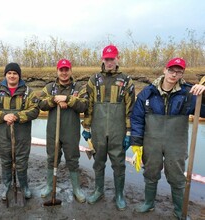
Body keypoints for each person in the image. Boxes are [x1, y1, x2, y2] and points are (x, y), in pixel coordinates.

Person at [130, 57, 205, 219]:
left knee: (176, 176)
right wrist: (136, 141)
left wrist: (203, 93)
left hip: (176, 143)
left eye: (179, 72)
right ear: (165, 70)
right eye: (172, 70)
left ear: (182, 74)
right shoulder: (148, 93)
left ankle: (179, 210)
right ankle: (149, 204)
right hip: (152, 142)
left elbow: (204, 110)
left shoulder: (188, 93)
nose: (174, 74)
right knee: (150, 172)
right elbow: (136, 118)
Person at [81, 45, 135, 210]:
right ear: (102, 59)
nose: (109, 62)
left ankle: (119, 194)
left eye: (112, 58)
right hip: (97, 129)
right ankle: (99, 190)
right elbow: (88, 106)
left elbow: (130, 108)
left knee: (119, 163)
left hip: (117, 130)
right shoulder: (94, 80)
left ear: (117, 59)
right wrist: (87, 127)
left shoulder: (126, 80)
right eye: (107, 59)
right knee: (98, 161)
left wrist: (128, 132)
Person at [0, 62, 39, 200]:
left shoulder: (28, 92)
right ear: (5, 75)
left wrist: (17, 116)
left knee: (21, 161)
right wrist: (4, 116)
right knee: (6, 161)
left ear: (19, 75)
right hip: (3, 135)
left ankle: (24, 186)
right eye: (9, 73)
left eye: (15, 73)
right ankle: (6, 185)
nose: (12, 76)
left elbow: (35, 110)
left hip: (22, 135)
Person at [39, 59, 88, 203]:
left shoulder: (79, 88)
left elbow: (84, 105)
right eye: (61, 70)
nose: (64, 73)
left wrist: (68, 99)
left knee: (73, 159)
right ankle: (49, 186)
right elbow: (41, 104)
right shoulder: (49, 88)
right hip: (53, 130)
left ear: (71, 70)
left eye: (67, 69)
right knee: (52, 158)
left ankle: (76, 188)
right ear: (57, 71)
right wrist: (55, 99)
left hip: (71, 130)